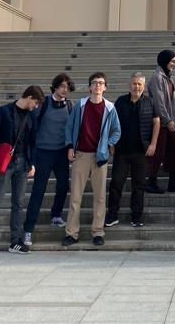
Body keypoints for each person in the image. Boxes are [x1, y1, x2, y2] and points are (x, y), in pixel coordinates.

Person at [0, 85, 45, 258]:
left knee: (18, 204)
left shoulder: (31, 116)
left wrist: (32, 163)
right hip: (4, 163)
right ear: (28, 97)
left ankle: (15, 242)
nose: (35, 107)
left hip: (22, 163)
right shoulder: (4, 111)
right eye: (35, 103)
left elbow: (32, 142)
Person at [61, 72, 121, 247]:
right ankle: (71, 233)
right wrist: (70, 146)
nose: (97, 86)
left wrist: (109, 144)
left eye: (101, 83)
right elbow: (69, 127)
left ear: (105, 87)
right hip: (81, 155)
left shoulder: (110, 108)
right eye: (94, 83)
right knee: (75, 197)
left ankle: (98, 232)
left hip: (99, 157)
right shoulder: (80, 105)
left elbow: (117, 130)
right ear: (89, 86)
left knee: (100, 197)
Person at [22, 73, 74, 248]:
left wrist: (70, 147)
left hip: (61, 152)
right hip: (43, 152)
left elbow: (72, 128)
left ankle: (56, 215)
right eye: (62, 86)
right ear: (55, 87)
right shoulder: (43, 104)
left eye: (67, 87)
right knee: (39, 190)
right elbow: (30, 125)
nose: (64, 89)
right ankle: (28, 229)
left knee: (63, 186)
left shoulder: (69, 106)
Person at [106, 72, 160, 229]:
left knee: (139, 185)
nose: (137, 87)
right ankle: (112, 215)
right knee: (116, 182)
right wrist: (111, 143)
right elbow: (111, 123)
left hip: (141, 152)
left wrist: (153, 144)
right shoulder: (121, 101)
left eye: (140, 84)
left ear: (143, 86)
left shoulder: (150, 102)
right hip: (121, 151)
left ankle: (136, 217)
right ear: (129, 85)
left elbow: (156, 123)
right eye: (134, 84)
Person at [146, 49, 175, 194]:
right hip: (161, 122)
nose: (174, 64)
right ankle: (151, 181)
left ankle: (173, 180)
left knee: (173, 149)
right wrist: (167, 119)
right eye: (172, 61)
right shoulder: (157, 77)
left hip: (169, 120)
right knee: (159, 151)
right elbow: (159, 102)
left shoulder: (168, 77)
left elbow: (173, 100)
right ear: (165, 61)